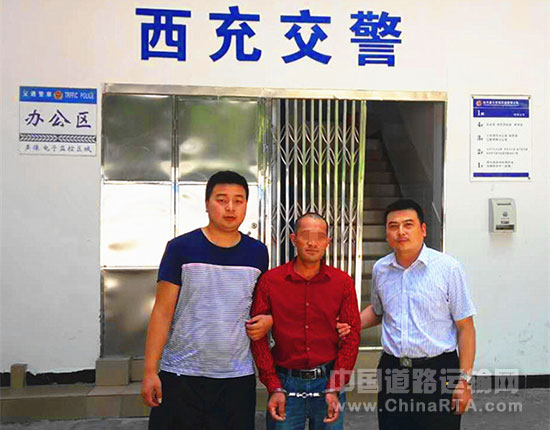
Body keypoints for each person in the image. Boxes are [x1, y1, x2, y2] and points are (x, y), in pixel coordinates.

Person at [141, 171, 269, 430]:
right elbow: (162, 312)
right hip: (182, 374)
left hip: (236, 376)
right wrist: (150, 371)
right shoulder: (181, 248)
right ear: (207, 203)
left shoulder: (257, 252)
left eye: (238, 200)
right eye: (221, 200)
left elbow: (260, 306)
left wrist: (268, 320)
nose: (230, 207)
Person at [339, 198, 476, 429]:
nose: (401, 231)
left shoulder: (448, 268)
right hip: (394, 370)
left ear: (423, 229)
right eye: (393, 226)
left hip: (438, 371)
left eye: (408, 224)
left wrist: (464, 381)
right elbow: (378, 311)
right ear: (386, 233)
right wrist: (352, 324)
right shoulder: (381, 269)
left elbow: (466, 328)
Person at [249, 213, 361, 430]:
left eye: (319, 237)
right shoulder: (270, 281)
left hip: (328, 380)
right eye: (306, 236)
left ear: (327, 242)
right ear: (293, 239)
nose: (312, 243)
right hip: (285, 383)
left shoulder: (342, 282)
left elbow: (352, 337)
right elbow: (258, 336)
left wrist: (335, 385)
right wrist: (273, 385)